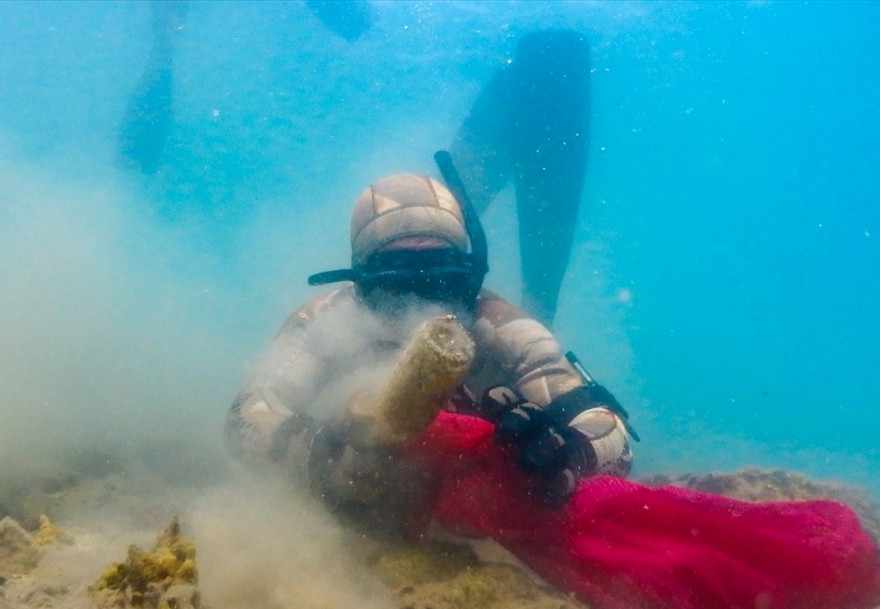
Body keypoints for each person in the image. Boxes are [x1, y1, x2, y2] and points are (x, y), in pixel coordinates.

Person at [225, 173, 633, 536]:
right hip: (344, 519)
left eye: (439, 281)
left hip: (472, 517)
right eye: (398, 287)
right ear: (360, 280)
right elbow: (248, 413)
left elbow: (609, 429)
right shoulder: (324, 325)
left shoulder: (504, 330)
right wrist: (315, 451)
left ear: (468, 277)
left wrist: (566, 453)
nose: (421, 311)